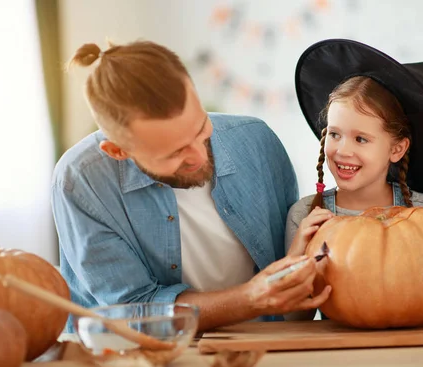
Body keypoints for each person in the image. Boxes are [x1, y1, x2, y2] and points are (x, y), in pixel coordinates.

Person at [52, 40, 331, 332]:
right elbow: (135, 313)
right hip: (142, 360)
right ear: (118, 151)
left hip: (262, 345)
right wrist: (250, 299)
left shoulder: (257, 141)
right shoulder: (81, 181)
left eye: (201, 128)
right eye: (174, 152)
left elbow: (290, 257)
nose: (200, 156)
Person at [285, 39, 423, 322]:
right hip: (339, 358)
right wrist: (297, 255)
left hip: (412, 356)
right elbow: (297, 321)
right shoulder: (307, 216)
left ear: (397, 149)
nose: (343, 150)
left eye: (361, 139)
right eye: (334, 134)